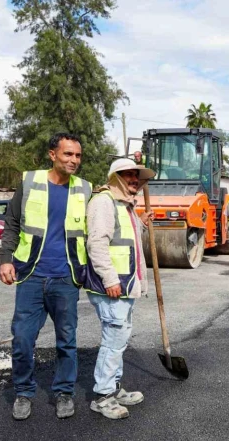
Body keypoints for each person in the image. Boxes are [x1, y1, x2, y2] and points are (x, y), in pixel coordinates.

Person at [0, 133, 92, 421]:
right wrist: (5, 259)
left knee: (67, 339)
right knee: (23, 339)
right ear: (53, 155)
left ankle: (64, 392)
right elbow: (12, 224)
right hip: (31, 276)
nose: (74, 160)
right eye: (67, 154)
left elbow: (106, 220)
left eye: (77, 155)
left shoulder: (85, 189)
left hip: (65, 278)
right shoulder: (30, 182)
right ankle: (23, 391)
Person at [84, 158, 154, 419]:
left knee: (120, 339)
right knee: (113, 342)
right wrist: (110, 279)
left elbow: (127, 239)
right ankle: (103, 396)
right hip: (112, 286)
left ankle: (113, 388)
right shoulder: (104, 202)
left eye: (137, 176)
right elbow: (98, 244)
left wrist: (142, 222)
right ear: (115, 178)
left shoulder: (124, 205)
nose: (134, 180)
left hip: (125, 285)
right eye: (128, 176)